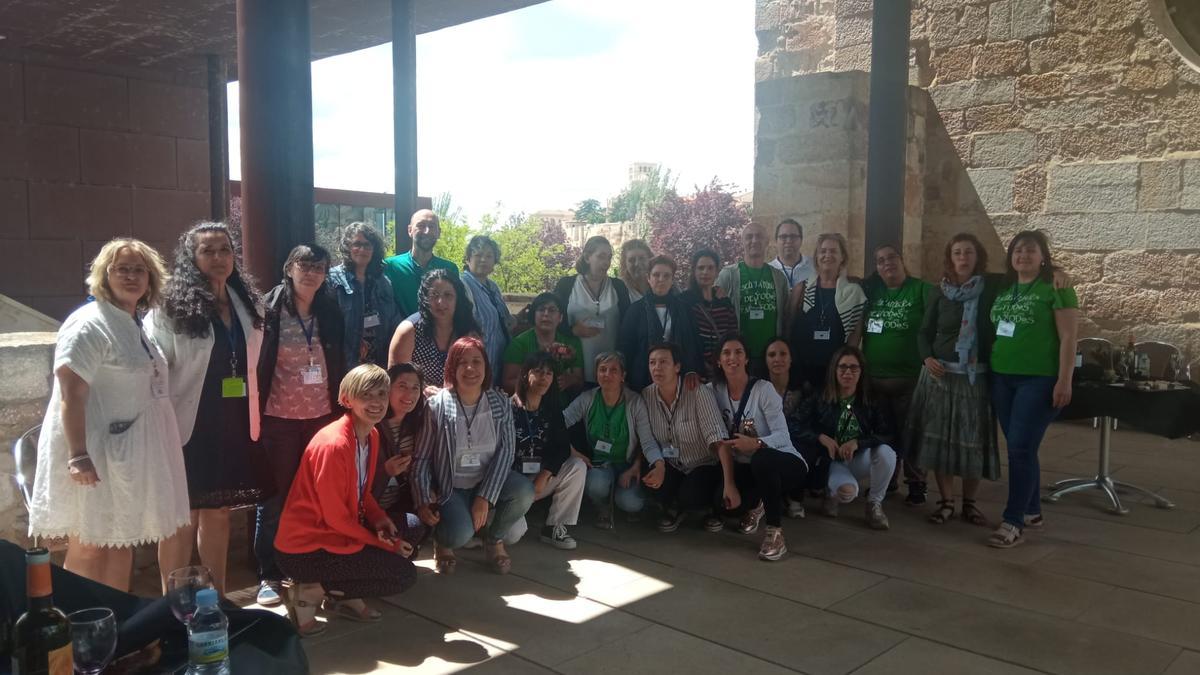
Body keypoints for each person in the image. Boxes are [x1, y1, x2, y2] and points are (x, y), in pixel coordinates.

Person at [30, 238, 190, 592]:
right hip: (94, 453)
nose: (131, 276)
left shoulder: (133, 322)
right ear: (105, 274)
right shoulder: (89, 322)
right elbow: (71, 391)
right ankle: (83, 627)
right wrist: (77, 456)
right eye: (122, 269)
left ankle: (117, 628)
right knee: (89, 542)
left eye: (139, 270)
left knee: (121, 540)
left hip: (126, 455)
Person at [151, 222, 270, 595]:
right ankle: (171, 607)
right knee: (180, 517)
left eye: (225, 250)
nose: (218, 258)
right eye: (208, 251)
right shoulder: (168, 306)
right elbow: (156, 367)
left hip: (232, 419)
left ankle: (215, 600)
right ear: (191, 258)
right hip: (188, 422)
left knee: (219, 513)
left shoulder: (244, 302)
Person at [274, 365, 417, 637]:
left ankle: (343, 592)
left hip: (335, 534)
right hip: (306, 550)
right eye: (367, 395)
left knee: (411, 526)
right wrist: (383, 544)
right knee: (402, 574)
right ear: (348, 399)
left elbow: (362, 494)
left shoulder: (371, 434)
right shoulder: (334, 445)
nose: (376, 403)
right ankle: (310, 591)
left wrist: (380, 520)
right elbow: (335, 518)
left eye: (382, 394)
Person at [254, 244, 346, 607]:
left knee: (315, 497)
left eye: (319, 267)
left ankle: (309, 566)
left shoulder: (329, 311)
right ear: (288, 267)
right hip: (279, 420)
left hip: (321, 419)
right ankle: (269, 574)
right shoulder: (268, 309)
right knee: (274, 498)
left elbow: (340, 359)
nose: (311, 273)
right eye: (304, 265)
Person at [986, 231, 1078, 549]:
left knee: (1020, 450)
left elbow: (1069, 338)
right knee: (1020, 446)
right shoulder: (1004, 288)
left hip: (1037, 380)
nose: (1023, 255)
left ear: (1043, 256)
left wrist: (1064, 380)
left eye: (1030, 250)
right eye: (1017, 250)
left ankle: (1013, 521)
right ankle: (1032, 512)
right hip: (1002, 377)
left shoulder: (1056, 287)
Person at [412, 337, 535, 575]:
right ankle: (443, 542)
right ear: (452, 368)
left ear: (486, 367)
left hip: (487, 481)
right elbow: (422, 458)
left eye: (477, 361)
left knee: (524, 491)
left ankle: (493, 540)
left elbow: (506, 452)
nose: (470, 368)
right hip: (452, 486)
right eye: (462, 362)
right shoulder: (436, 406)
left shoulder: (499, 402)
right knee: (459, 534)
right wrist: (422, 498)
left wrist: (485, 497)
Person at [709, 336, 809, 561]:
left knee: (762, 460)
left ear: (746, 359)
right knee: (723, 503)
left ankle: (775, 532)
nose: (732, 357)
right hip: (746, 467)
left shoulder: (763, 390)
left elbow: (783, 436)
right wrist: (689, 376)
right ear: (718, 360)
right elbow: (691, 393)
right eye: (726, 353)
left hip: (784, 462)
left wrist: (756, 443)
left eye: (738, 352)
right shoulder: (714, 389)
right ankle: (758, 502)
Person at [860, 244, 934, 507]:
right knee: (883, 435)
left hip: (910, 379)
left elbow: (938, 322)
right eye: (880, 260)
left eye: (891, 257)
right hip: (875, 379)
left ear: (902, 260)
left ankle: (917, 483)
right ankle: (886, 480)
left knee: (911, 434)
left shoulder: (922, 290)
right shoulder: (873, 292)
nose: (886, 263)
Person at [792, 346, 896, 530]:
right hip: (829, 461)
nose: (848, 372)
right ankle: (831, 493)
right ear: (834, 369)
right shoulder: (819, 396)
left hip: (857, 458)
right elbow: (794, 424)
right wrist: (820, 437)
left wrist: (859, 443)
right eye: (842, 367)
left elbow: (887, 434)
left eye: (854, 368)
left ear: (861, 371)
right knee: (847, 493)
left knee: (887, 453)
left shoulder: (871, 399)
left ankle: (874, 504)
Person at [639, 342, 726, 533]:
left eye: (663, 362)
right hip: (671, 463)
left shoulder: (698, 392)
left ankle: (710, 509)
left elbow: (717, 436)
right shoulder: (646, 396)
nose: (657, 368)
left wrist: (729, 481)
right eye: (652, 362)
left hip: (703, 463)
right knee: (648, 480)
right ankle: (674, 506)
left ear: (677, 367)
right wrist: (659, 465)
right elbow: (648, 440)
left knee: (691, 494)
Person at [563, 352, 655, 529]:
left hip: (627, 465)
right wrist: (572, 452)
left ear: (623, 376)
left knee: (630, 502)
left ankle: (629, 506)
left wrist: (636, 466)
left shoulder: (635, 402)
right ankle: (602, 507)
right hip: (599, 463)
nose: (607, 375)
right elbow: (559, 425)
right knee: (594, 486)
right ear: (596, 374)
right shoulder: (587, 398)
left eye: (614, 370)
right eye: (602, 370)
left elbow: (647, 440)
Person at [505, 353, 587, 550]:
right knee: (512, 535)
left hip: (538, 479)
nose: (544, 377)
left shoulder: (552, 409)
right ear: (525, 375)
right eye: (538, 372)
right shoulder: (508, 408)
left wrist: (545, 474)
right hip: (512, 481)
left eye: (549, 373)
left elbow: (561, 448)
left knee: (577, 466)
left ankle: (554, 527)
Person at [788, 232, 867, 391]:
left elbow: (854, 337)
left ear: (842, 257)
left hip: (835, 373)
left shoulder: (854, 293)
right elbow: (788, 329)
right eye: (823, 251)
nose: (827, 255)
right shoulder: (801, 289)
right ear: (816, 256)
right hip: (802, 371)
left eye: (833, 251)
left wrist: (844, 372)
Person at [370, 363, 433, 552]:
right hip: (371, 509)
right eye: (402, 386)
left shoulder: (418, 425)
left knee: (422, 522)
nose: (410, 394)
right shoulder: (372, 424)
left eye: (416, 388)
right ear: (387, 389)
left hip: (400, 503)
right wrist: (385, 471)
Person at [554, 236, 633, 383]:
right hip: (574, 370)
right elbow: (552, 322)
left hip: (610, 370)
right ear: (587, 257)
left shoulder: (618, 287)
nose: (606, 262)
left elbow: (628, 326)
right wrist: (573, 330)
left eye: (609, 257)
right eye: (601, 256)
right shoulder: (566, 285)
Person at [619, 255, 703, 390]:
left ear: (672, 280)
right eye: (656, 275)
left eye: (666, 276)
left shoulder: (684, 309)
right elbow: (625, 346)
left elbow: (692, 342)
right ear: (648, 278)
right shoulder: (635, 310)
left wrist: (692, 370)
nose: (661, 280)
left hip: (679, 380)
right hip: (642, 381)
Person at [387, 268, 480, 390]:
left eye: (448, 295)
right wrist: (423, 390)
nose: (440, 302)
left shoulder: (469, 331)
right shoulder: (409, 330)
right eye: (434, 295)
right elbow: (395, 378)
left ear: (458, 298)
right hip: (416, 401)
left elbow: (477, 373)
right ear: (425, 298)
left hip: (456, 399)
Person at [716, 222, 790, 371]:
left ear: (767, 242)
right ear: (742, 241)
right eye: (749, 237)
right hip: (740, 357)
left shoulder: (779, 277)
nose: (754, 241)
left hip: (771, 357)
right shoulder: (728, 275)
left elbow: (786, 314)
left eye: (759, 237)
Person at [327, 222, 398, 369]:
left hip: (378, 364)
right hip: (344, 365)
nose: (362, 249)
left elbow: (393, 322)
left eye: (367, 245)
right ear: (347, 246)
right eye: (357, 244)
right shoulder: (332, 279)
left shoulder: (383, 282)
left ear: (374, 249)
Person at [502, 292, 584, 396]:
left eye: (552, 310)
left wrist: (571, 380)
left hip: (565, 408)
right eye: (541, 309)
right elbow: (507, 383)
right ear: (533, 315)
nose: (546, 314)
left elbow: (579, 381)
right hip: (528, 405)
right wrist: (534, 383)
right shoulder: (518, 344)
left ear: (560, 317)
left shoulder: (572, 344)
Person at [382, 209, 460, 318]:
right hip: (400, 333)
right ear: (410, 230)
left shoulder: (449, 268)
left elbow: (457, 308)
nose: (427, 231)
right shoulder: (390, 266)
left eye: (432, 226)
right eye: (421, 225)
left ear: (439, 233)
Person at [681, 249, 738, 380]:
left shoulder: (724, 301)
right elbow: (684, 340)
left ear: (717, 271)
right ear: (694, 271)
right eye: (701, 268)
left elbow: (733, 334)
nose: (705, 272)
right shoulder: (684, 301)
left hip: (724, 369)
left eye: (710, 268)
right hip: (696, 373)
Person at [460, 235, 513, 372]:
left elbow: (503, 321)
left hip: (498, 362)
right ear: (468, 259)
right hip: (475, 364)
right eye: (478, 255)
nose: (483, 260)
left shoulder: (493, 287)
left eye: (489, 256)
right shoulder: (462, 284)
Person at [767, 219, 813, 289]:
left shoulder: (814, 266)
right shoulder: (769, 270)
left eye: (793, 237)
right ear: (776, 241)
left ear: (801, 240)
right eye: (783, 237)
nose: (788, 241)